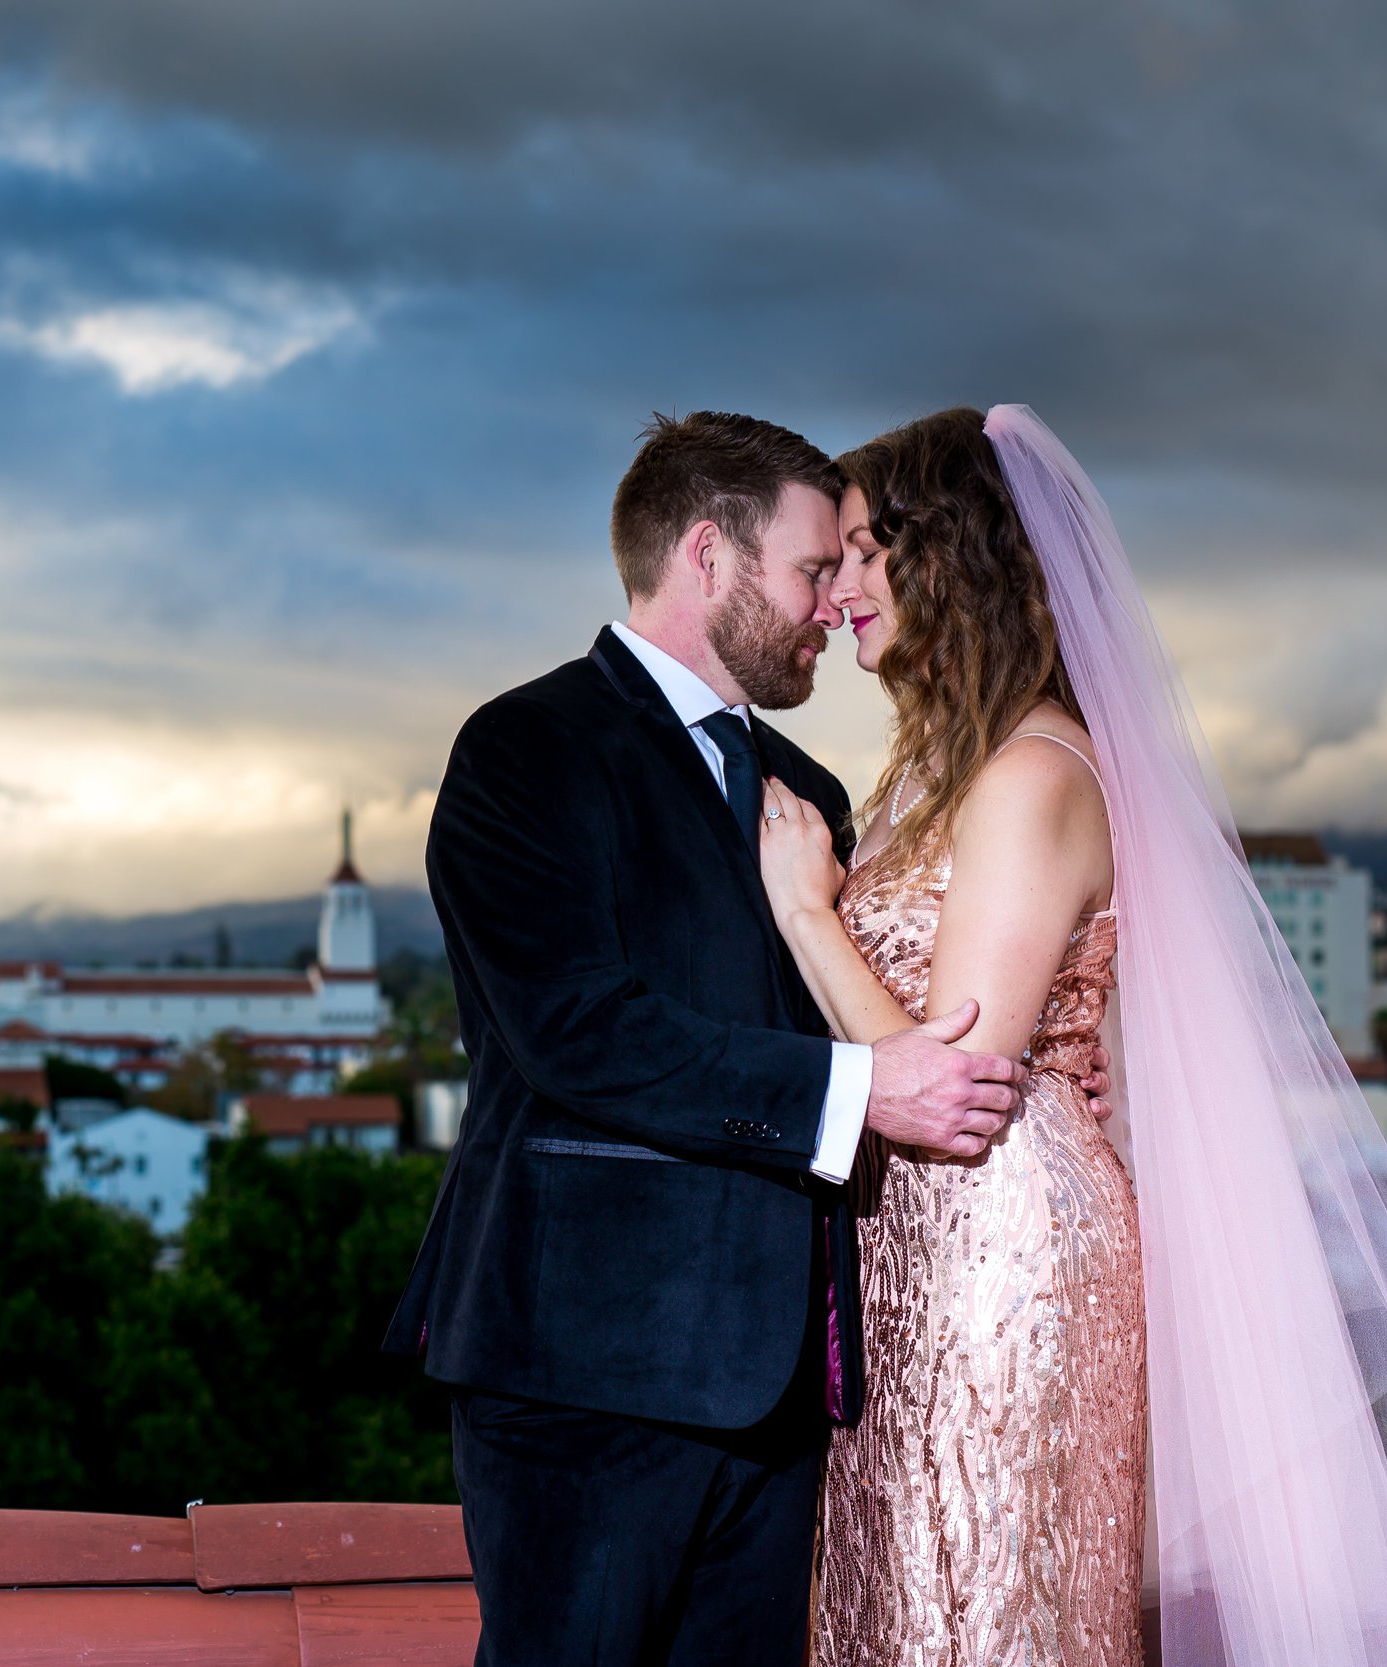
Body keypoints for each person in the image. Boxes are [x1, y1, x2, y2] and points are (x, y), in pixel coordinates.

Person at [758, 406, 1387, 1667]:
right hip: (915, 1241)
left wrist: (808, 914)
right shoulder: (947, 771)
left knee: (982, 1596)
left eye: (871, 550)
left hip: (993, 1243)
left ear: (956, 555)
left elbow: (958, 1073)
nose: (840, 591)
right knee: (905, 1591)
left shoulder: (1030, 775)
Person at [382, 411, 1109, 1667]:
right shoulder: (526, 747)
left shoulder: (809, 794)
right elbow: (577, 1029)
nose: (833, 603)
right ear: (709, 559)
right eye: (813, 567)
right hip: (584, 1365)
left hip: (788, 1388)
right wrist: (860, 1092)